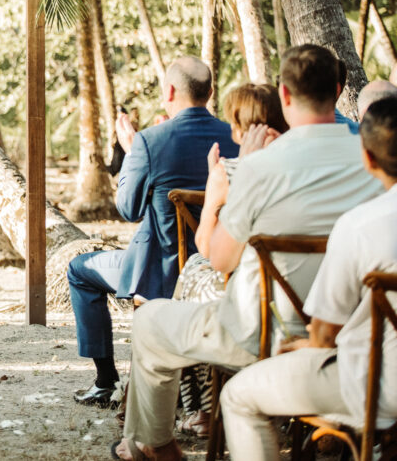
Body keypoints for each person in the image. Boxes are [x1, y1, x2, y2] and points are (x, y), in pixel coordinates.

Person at [113, 45, 383, 461]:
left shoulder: (260, 167)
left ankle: (156, 447)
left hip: (263, 331)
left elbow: (219, 259)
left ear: (285, 96)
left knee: (150, 320)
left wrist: (231, 183)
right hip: (356, 331)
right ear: (338, 89)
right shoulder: (373, 162)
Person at [219, 96, 397, 459]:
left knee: (237, 395)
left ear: (368, 159)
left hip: (379, 385)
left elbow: (325, 333)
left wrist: (305, 345)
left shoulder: (360, 225)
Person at [68, 56, 237, 407]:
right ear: (209, 92)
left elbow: (128, 209)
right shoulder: (233, 138)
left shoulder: (149, 141)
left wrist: (132, 153)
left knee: (79, 270)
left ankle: (104, 381)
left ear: (170, 91)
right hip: (220, 270)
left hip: (158, 274)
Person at [174, 83, 288, 434]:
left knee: (194, 270)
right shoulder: (298, 165)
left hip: (248, 294)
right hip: (297, 292)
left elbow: (208, 248)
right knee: (194, 274)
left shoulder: (232, 170)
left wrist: (212, 191)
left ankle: (202, 407)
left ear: (240, 126)